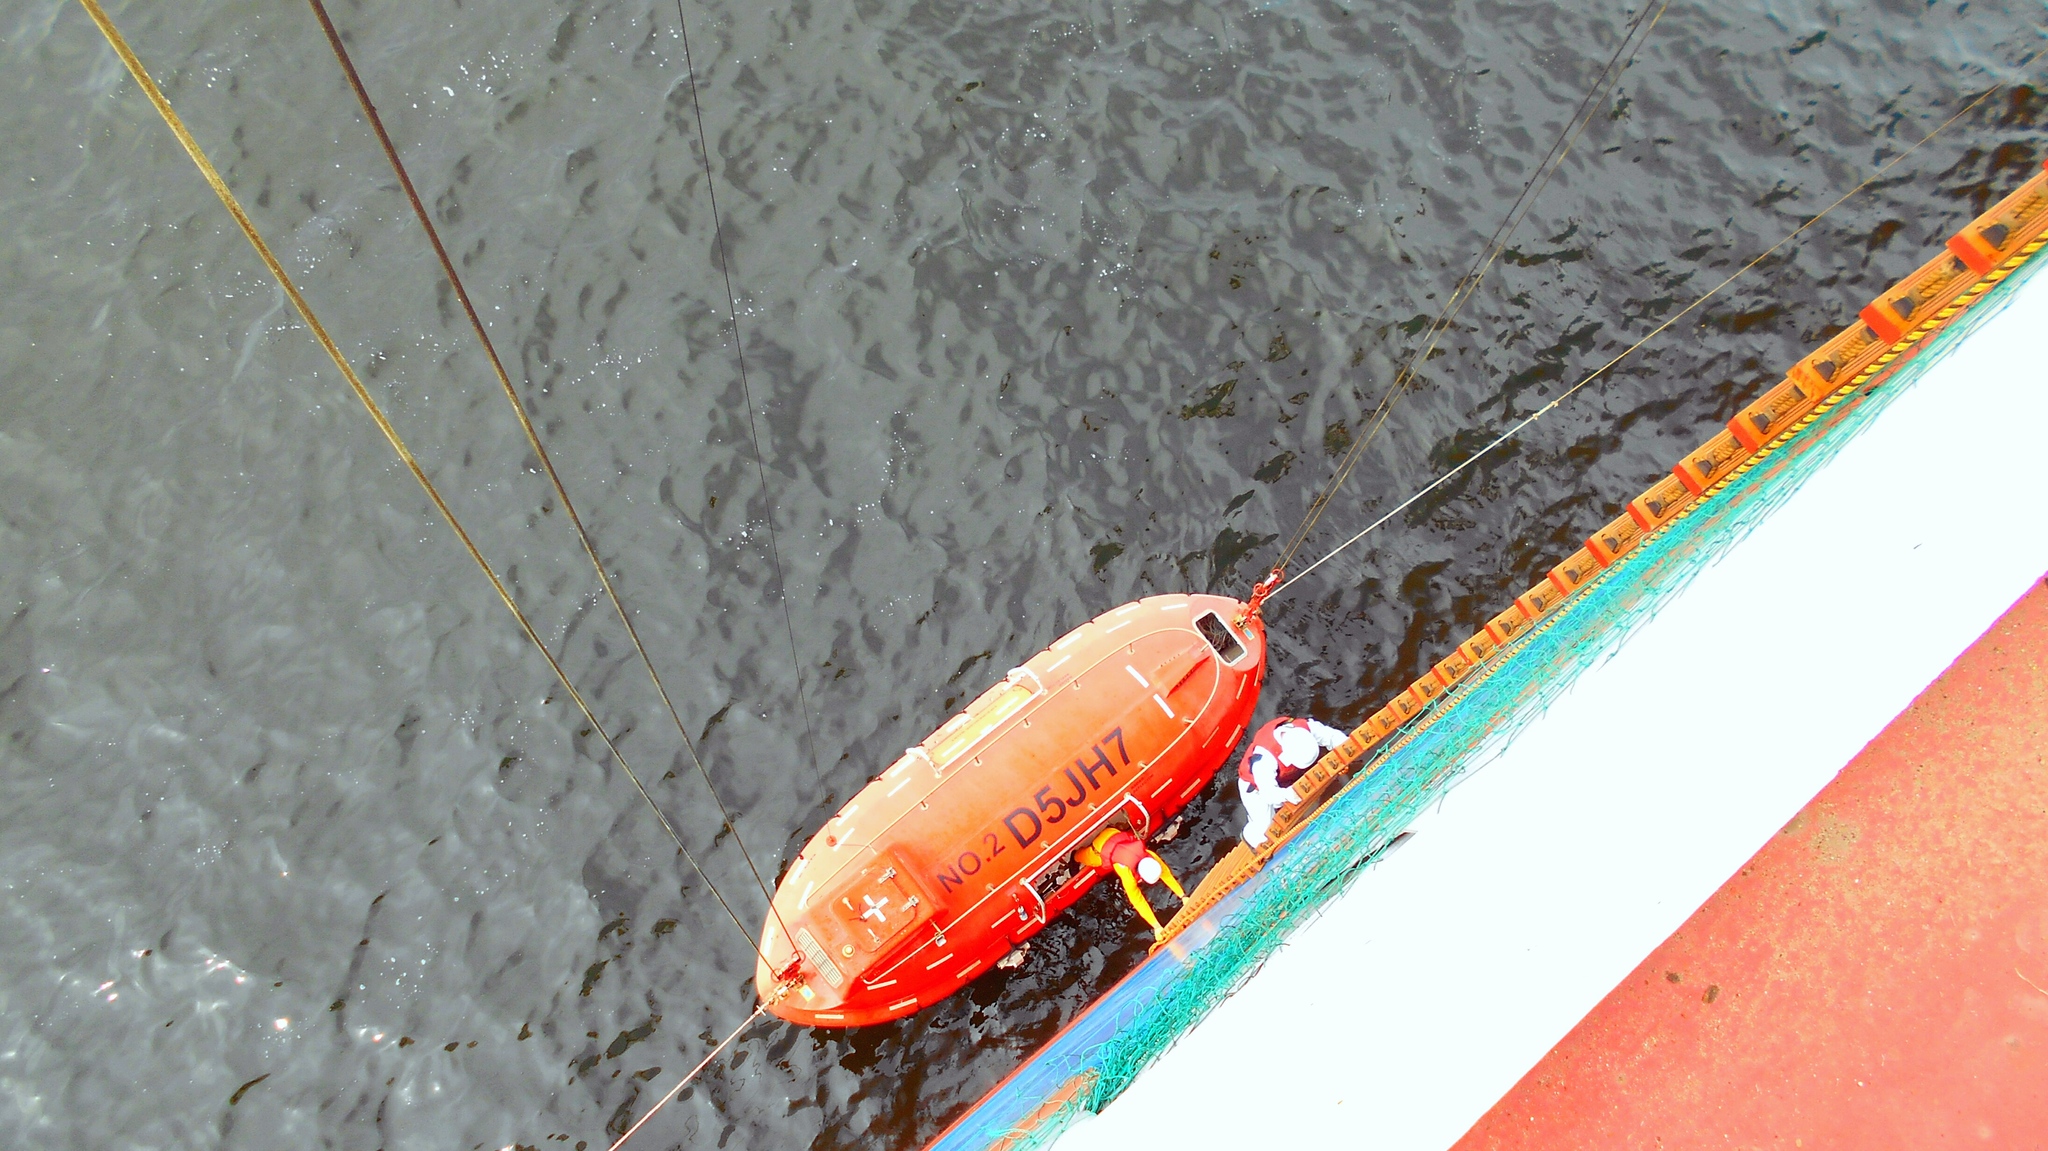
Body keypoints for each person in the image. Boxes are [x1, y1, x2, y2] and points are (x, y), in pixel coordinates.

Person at [1237, 714, 1348, 848]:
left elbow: (1331, 736)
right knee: (1264, 827)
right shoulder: (1264, 760)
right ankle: (1251, 836)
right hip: (1255, 788)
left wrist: (1343, 753)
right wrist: (1287, 795)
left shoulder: (1305, 728)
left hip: (1284, 777)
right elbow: (1269, 794)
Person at [1075, 825, 1186, 940]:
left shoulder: (1149, 857)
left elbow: (1165, 873)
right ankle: (1074, 857)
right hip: (1098, 849)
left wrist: (1182, 895)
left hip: (1112, 832)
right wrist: (1157, 927)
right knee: (1081, 856)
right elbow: (1138, 901)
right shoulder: (1128, 875)